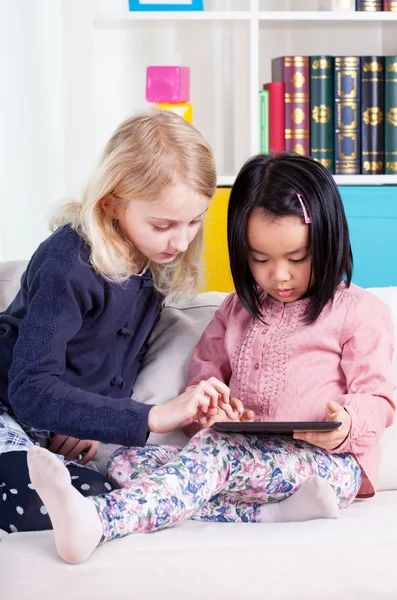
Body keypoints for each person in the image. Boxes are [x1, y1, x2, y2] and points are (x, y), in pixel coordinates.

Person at [27, 153, 395, 564]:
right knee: (129, 462)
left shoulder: (358, 311)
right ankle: (270, 515)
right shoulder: (235, 310)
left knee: (215, 453)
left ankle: (99, 521)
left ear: (329, 241)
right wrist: (207, 412)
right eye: (260, 259)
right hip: (244, 463)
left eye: (297, 258)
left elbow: (378, 398)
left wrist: (345, 424)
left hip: (328, 468)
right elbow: (201, 386)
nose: (280, 276)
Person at [0, 110, 235, 533]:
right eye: (163, 225)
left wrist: (87, 422)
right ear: (111, 203)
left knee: (125, 498)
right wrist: (149, 417)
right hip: (8, 408)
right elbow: (30, 388)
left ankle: (261, 506)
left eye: (194, 221)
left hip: (56, 430)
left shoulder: (152, 262)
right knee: (54, 506)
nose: (181, 242)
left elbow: (116, 365)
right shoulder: (67, 262)